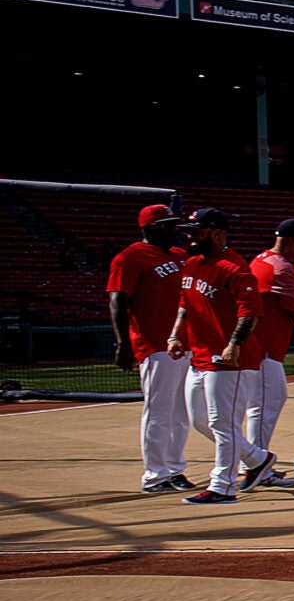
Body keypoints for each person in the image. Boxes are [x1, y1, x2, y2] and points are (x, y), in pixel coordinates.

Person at [165, 208, 272, 503]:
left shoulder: (234, 267)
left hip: (231, 361)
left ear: (216, 233)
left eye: (196, 231)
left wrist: (234, 344)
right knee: (200, 420)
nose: (189, 236)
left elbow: (250, 312)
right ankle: (257, 459)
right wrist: (176, 334)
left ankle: (223, 485)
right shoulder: (192, 263)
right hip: (199, 356)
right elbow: (185, 303)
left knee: (223, 424)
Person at [106, 203, 193, 493]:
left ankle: (175, 468)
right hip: (154, 344)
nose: (175, 230)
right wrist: (123, 344)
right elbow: (118, 301)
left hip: (185, 343)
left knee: (181, 413)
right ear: (151, 228)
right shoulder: (129, 258)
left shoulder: (180, 256)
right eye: (169, 225)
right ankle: (155, 475)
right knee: (159, 412)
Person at [248, 219, 294, 487]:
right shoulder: (282, 268)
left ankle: (255, 462)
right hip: (264, 350)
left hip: (260, 347)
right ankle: (256, 466)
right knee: (266, 406)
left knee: (262, 406)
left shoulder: (263, 259)